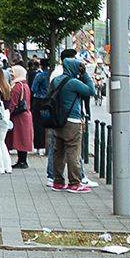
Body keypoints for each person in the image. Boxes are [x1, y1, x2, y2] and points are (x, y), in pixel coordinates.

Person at [49, 54, 97, 192]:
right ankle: (74, 183)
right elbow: (91, 91)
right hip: (72, 121)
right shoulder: (73, 82)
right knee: (73, 152)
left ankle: (58, 181)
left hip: (57, 120)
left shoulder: (56, 80)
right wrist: (85, 74)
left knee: (58, 151)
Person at [5, 64, 34, 169]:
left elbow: (13, 103)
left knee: (19, 137)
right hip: (26, 114)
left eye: (13, 72)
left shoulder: (17, 87)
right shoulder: (25, 85)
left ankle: (21, 162)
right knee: (23, 137)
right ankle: (22, 160)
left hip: (19, 116)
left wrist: (8, 112)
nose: (11, 74)